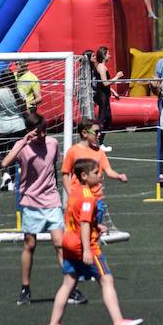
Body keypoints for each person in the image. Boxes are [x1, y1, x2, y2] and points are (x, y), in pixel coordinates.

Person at [46, 158, 143, 325]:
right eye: (96, 173)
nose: (100, 176)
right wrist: (88, 250)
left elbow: (78, 218)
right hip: (83, 246)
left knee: (68, 284)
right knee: (107, 280)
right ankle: (118, 322)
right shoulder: (88, 198)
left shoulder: (74, 192)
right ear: (84, 175)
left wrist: (96, 226)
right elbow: (83, 224)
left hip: (68, 243)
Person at [61, 118, 128, 305]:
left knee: (93, 236)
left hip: (96, 202)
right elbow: (65, 174)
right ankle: (81, 268)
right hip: (81, 202)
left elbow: (108, 170)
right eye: (96, 132)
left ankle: (90, 267)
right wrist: (71, 194)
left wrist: (119, 176)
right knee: (81, 235)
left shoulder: (99, 152)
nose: (98, 135)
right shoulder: (74, 151)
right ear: (84, 133)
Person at [1, 113, 63, 307]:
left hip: (52, 199)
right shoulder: (23, 147)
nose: (42, 135)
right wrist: (22, 142)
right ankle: (25, 288)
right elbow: (4, 163)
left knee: (60, 244)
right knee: (30, 245)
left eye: (44, 130)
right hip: (30, 201)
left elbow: (54, 167)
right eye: (38, 132)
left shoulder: (53, 143)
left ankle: (71, 287)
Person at [0, 67, 28, 191]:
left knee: (0, 153)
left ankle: (5, 175)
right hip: (18, 125)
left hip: (2, 127)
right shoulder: (19, 92)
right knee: (15, 154)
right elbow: (24, 110)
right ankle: (15, 180)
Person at [93, 46, 124, 152]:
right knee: (103, 119)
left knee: (107, 119)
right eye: (108, 54)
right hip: (102, 96)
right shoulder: (101, 67)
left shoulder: (102, 66)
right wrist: (117, 76)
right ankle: (98, 143)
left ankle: (99, 143)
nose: (110, 55)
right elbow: (105, 83)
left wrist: (113, 92)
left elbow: (104, 84)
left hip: (105, 95)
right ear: (104, 55)